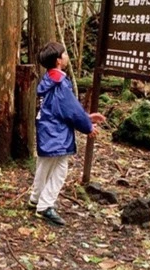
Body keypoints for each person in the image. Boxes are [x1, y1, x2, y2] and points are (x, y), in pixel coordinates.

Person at [28, 42, 106, 226]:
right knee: (60, 169)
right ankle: (45, 206)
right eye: (64, 53)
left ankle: (35, 198)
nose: (67, 56)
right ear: (58, 60)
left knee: (44, 165)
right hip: (56, 133)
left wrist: (86, 117)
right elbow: (71, 110)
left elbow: (61, 108)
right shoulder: (61, 84)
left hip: (47, 130)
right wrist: (88, 126)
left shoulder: (49, 80)